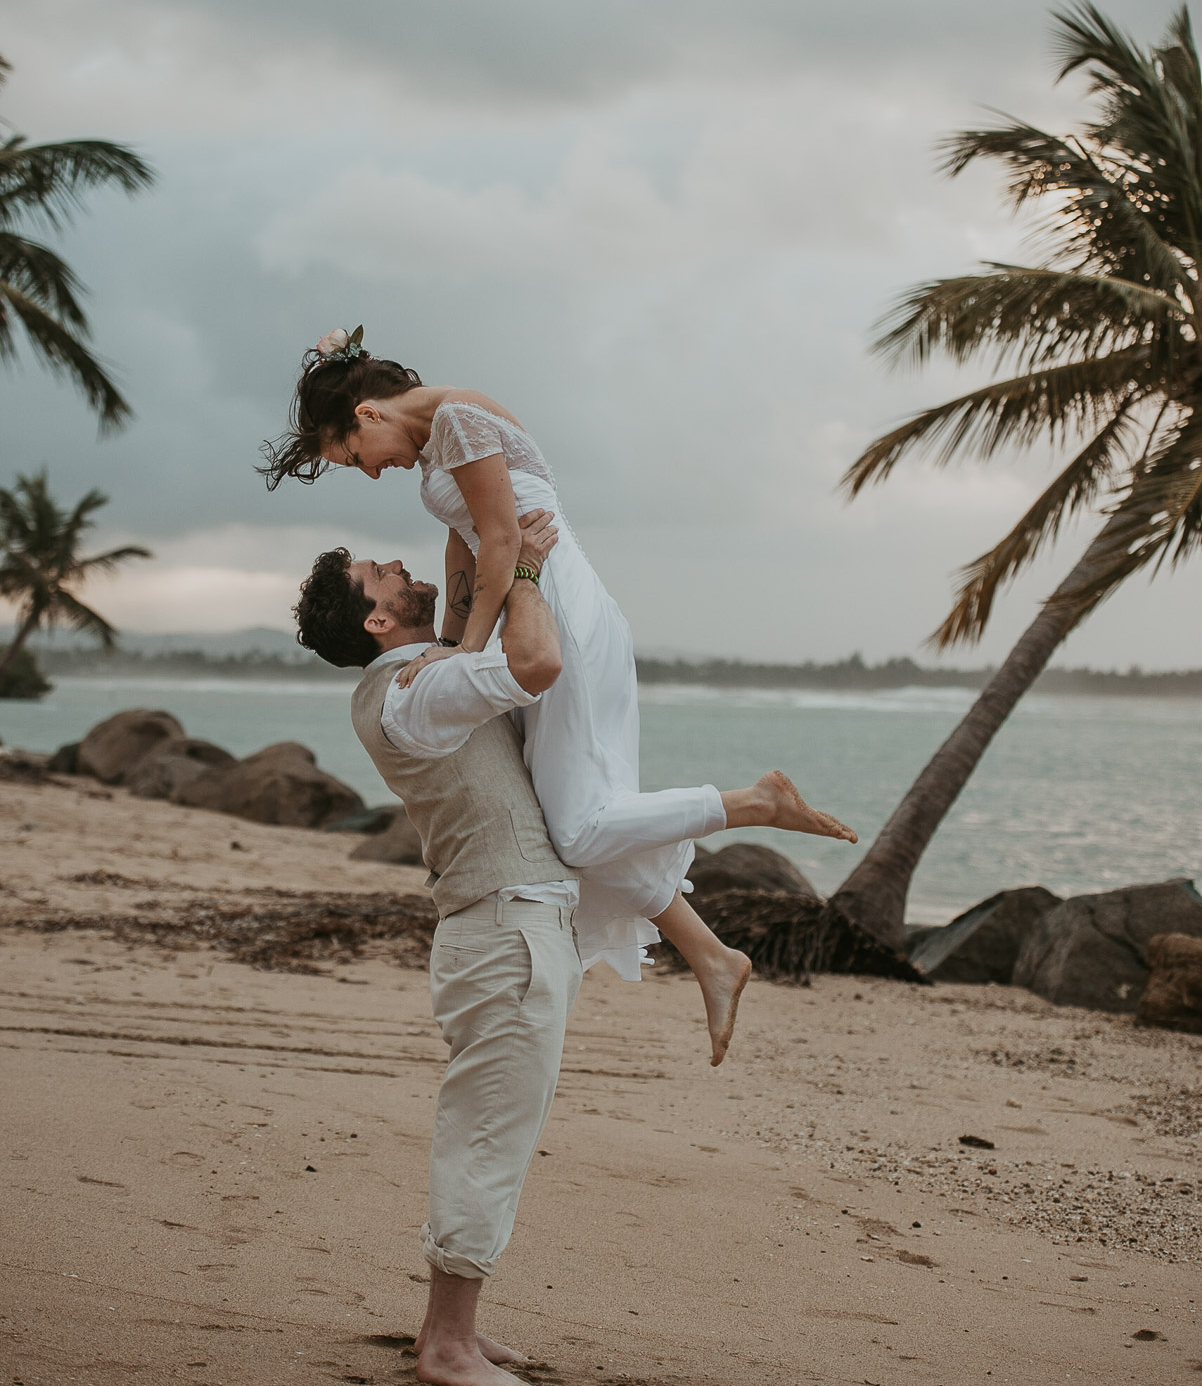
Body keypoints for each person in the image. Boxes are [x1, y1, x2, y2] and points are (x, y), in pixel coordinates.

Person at [266, 329, 858, 1066]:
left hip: (558, 614)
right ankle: (709, 955)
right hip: (544, 605)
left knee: (579, 831)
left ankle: (755, 803)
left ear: (366, 415)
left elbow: (502, 540)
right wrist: (453, 648)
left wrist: (467, 655)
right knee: (576, 817)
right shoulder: (443, 435)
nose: (372, 473)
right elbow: (463, 548)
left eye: (355, 458)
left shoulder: (457, 420)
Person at [295, 510, 574, 1386]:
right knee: (488, 1132)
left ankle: (459, 1329)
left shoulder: (425, 672)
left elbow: (464, 578)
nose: (398, 564)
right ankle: (446, 1344)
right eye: (381, 571)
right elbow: (533, 662)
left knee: (495, 1126)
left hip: (502, 922)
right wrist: (527, 569)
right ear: (379, 620)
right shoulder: (417, 689)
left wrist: (470, 496)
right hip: (504, 928)